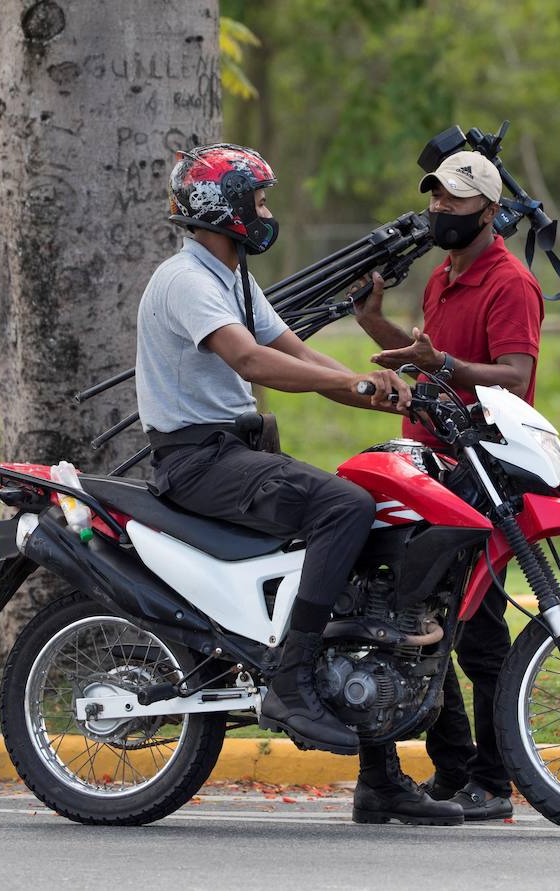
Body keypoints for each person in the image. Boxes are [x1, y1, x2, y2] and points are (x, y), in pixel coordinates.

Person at [135, 143, 423, 763]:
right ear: (227, 208)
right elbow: (251, 360)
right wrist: (350, 384)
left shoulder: (232, 278)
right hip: (199, 462)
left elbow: (296, 352)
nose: (267, 212)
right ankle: (290, 681)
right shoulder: (185, 280)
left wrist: (385, 394)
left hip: (232, 452)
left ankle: (378, 764)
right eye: (259, 200)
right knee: (345, 507)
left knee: (376, 512)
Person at [350, 150, 545, 824]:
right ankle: (457, 767)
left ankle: (491, 780)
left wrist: (446, 365)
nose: (441, 211)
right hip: (430, 470)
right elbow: (429, 365)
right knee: (424, 620)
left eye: (457, 203)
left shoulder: (510, 282)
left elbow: (515, 376)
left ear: (490, 212)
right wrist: (374, 323)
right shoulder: (441, 278)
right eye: (436, 200)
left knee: (479, 630)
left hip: (484, 468)